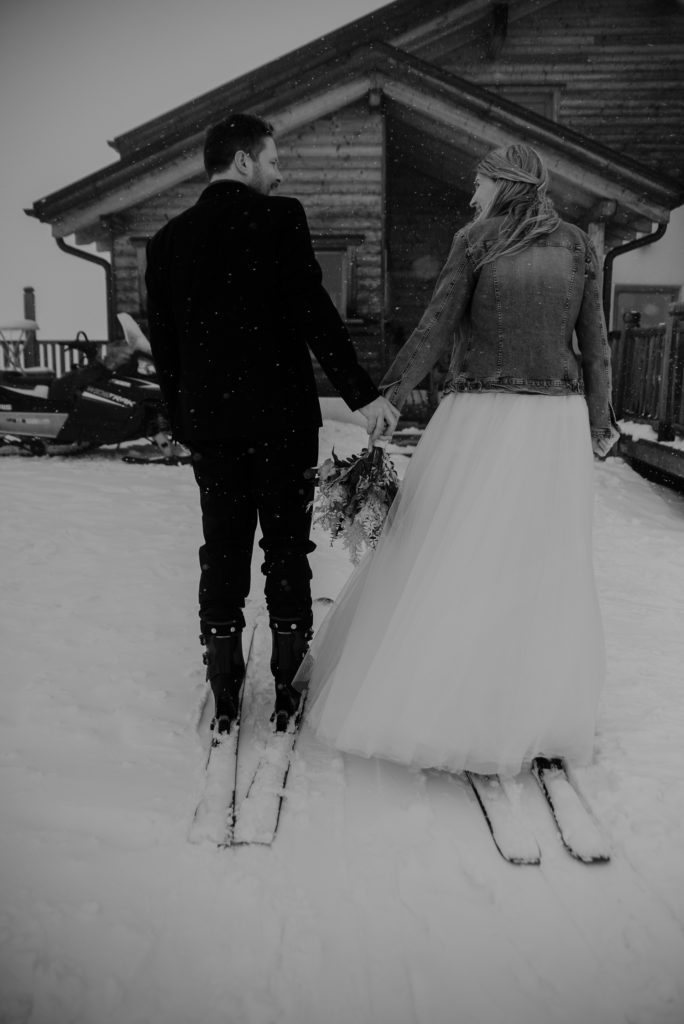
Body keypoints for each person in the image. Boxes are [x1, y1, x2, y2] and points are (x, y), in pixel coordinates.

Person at [298, 142, 619, 778]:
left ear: (502, 182)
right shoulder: (578, 245)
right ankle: (528, 709)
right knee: (541, 561)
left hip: (481, 414)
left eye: (479, 182)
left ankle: (436, 705)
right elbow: (595, 344)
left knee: (451, 548)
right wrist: (599, 421)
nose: (473, 195)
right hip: (554, 423)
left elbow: (436, 325)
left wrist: (391, 393)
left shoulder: (476, 240)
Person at [145, 113, 398, 733]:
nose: (279, 174)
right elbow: (316, 315)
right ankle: (287, 678)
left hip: (211, 424)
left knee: (222, 546)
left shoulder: (168, 240)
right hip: (281, 419)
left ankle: (224, 678)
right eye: (273, 160)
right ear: (243, 161)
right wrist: (362, 395)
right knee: (287, 547)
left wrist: (183, 418)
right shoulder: (280, 220)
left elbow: (166, 347)